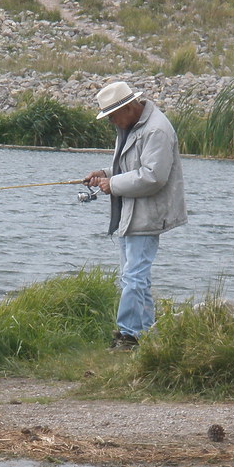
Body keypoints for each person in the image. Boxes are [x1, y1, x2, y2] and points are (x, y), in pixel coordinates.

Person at [83, 81, 187, 350]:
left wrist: (113, 184)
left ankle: (129, 335)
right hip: (131, 213)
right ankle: (143, 334)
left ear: (128, 107)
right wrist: (104, 174)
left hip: (148, 214)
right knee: (134, 276)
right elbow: (130, 165)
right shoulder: (130, 125)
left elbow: (154, 176)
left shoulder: (157, 130)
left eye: (112, 116)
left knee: (134, 277)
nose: (111, 122)